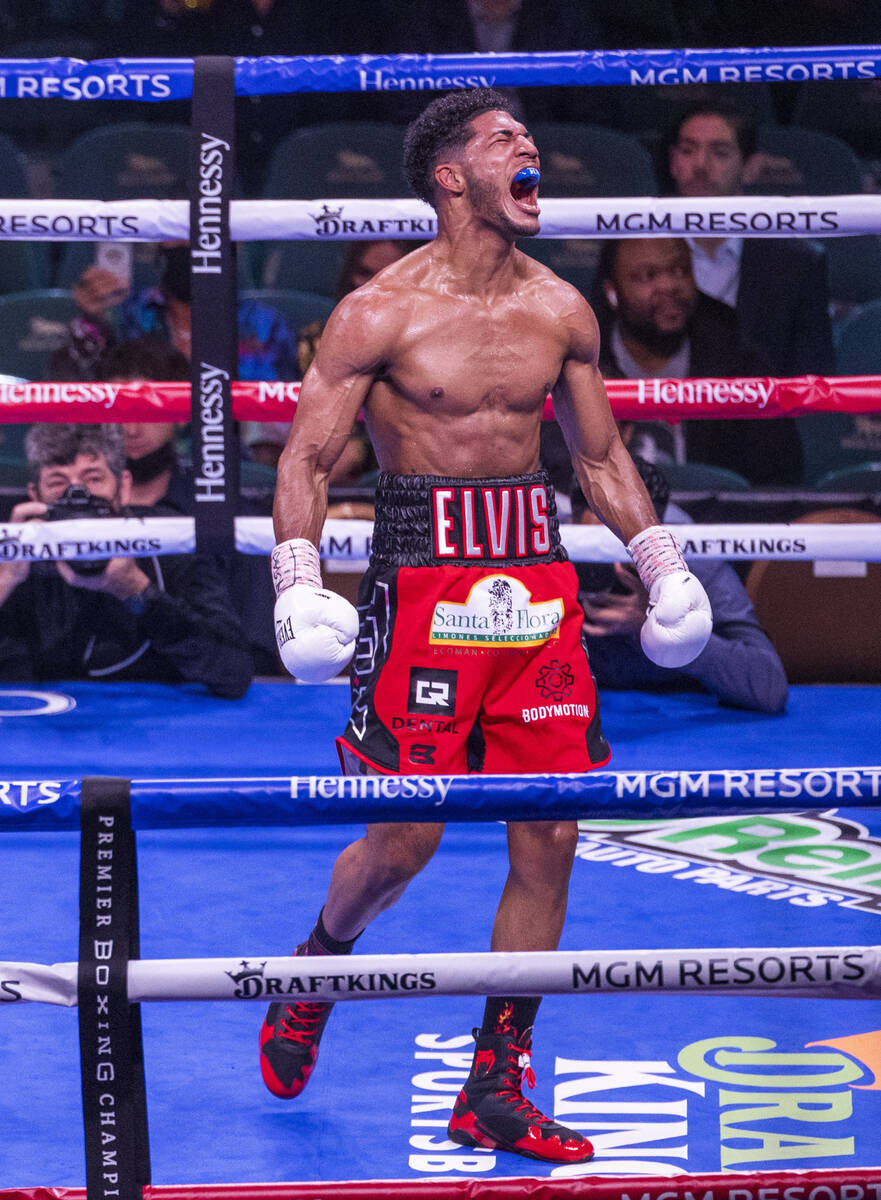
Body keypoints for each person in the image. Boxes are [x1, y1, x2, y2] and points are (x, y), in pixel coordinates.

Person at [259, 88, 713, 1164]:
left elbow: (598, 457)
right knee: (402, 842)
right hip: (421, 588)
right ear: (450, 176)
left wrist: (661, 562)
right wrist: (295, 578)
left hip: (535, 590)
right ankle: (316, 968)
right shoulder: (379, 312)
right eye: (503, 138)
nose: (528, 147)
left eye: (528, 136)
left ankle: (495, 1083)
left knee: (550, 830)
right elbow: (306, 458)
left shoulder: (560, 308)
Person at [0, 423, 253, 699]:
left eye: (93, 479)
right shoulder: (13, 546)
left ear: (124, 487)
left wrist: (138, 591)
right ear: (35, 495)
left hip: (153, 717)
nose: (77, 496)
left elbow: (233, 673)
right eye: (58, 483)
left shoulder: (167, 539)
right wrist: (6, 578)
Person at [666, 102, 836, 484]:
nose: (701, 165)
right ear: (674, 161)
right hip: (661, 442)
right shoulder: (633, 252)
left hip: (761, 450)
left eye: (720, 152)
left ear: (751, 166)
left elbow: (814, 378)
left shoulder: (798, 263)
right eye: (689, 150)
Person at [572, 434, 789, 714]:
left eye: (621, 548)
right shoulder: (551, 554)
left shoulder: (690, 563)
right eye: (596, 551)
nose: (610, 565)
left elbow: (769, 688)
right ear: (572, 524)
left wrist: (670, 632)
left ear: (653, 535)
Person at [594, 236, 791, 483]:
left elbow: (776, 479)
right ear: (612, 292)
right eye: (647, 276)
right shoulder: (581, 363)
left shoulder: (737, 363)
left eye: (680, 270)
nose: (669, 285)